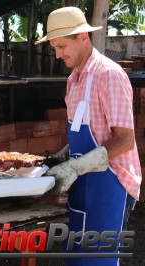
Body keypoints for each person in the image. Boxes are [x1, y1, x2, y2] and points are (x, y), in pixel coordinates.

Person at [36, 6, 141, 265]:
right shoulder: (74, 80)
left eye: (62, 47)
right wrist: (59, 159)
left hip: (110, 185)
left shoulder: (109, 75)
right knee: (77, 256)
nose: (58, 54)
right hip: (82, 185)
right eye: (55, 48)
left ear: (83, 36)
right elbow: (83, 133)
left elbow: (125, 139)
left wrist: (75, 166)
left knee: (99, 259)